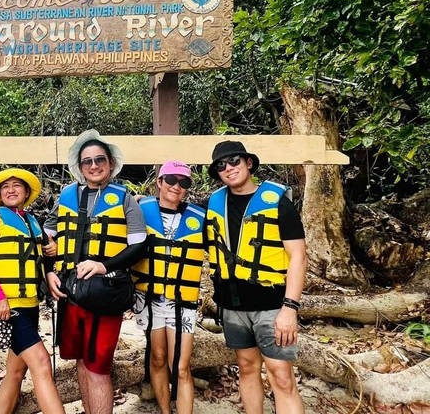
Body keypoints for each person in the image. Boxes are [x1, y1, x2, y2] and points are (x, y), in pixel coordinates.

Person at [43, 129, 147, 414]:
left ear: (110, 163)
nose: (93, 165)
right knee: (79, 359)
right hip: (69, 292)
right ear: (80, 167)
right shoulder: (66, 195)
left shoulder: (124, 199)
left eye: (99, 159)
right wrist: (50, 270)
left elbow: (140, 245)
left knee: (98, 367)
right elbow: (45, 235)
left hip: (106, 292)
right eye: (87, 161)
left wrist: (104, 265)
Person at [205, 141, 307, 414]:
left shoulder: (278, 204)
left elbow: (298, 257)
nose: (228, 168)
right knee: (247, 367)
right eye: (221, 165)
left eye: (234, 160)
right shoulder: (214, 205)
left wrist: (290, 308)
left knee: (281, 376)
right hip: (232, 305)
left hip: (272, 306)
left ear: (248, 163)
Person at [0, 168, 65, 414]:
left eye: (16, 186)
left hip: (30, 303)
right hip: (6, 305)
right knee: (42, 363)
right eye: (5, 187)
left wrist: (51, 251)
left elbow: (43, 255)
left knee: (16, 370)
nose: (10, 190)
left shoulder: (32, 221)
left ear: (26, 193)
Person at [131, 161, 206, 414]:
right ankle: (165, 410)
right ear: (159, 183)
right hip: (148, 298)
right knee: (158, 357)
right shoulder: (139, 209)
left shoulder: (200, 217)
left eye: (183, 182)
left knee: (181, 366)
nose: (177, 186)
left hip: (182, 300)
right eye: (171, 180)